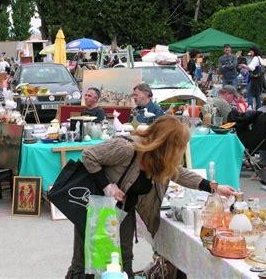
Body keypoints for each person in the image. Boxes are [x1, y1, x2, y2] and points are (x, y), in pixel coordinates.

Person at [66, 115, 236, 278]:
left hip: (123, 210)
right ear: (166, 143)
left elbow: (179, 173)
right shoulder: (126, 148)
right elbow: (88, 155)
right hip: (98, 209)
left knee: (123, 259)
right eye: (179, 146)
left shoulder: (157, 157)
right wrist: (107, 185)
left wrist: (214, 187)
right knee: (88, 260)